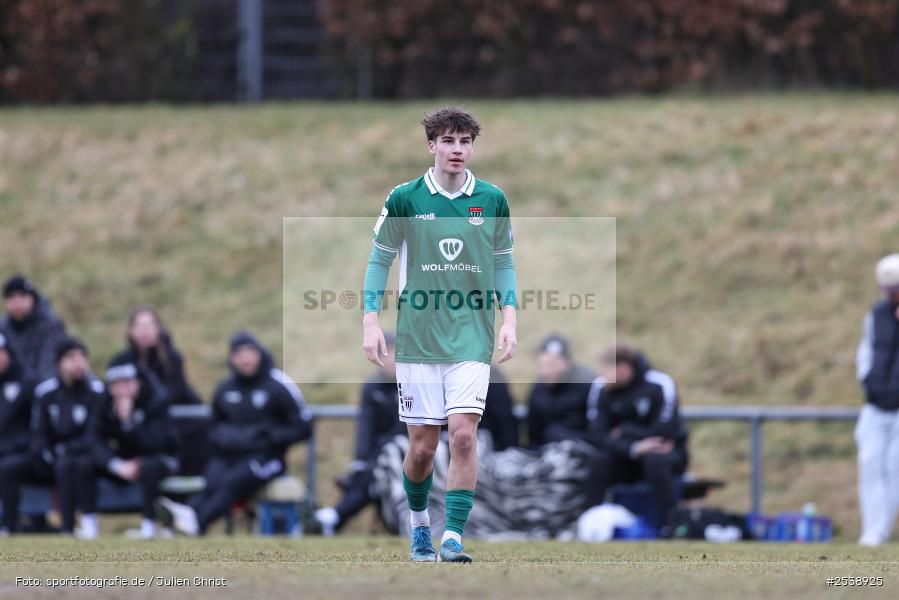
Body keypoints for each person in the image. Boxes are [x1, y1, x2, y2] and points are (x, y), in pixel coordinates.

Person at [361, 106, 518, 562]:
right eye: (448, 141)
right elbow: (380, 260)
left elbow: (504, 261)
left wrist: (509, 317)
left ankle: (452, 536)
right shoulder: (405, 198)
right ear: (431, 145)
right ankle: (419, 528)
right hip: (418, 338)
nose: (457, 150)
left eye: (465, 142)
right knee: (424, 448)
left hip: (471, 335)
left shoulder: (490, 200)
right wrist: (371, 321)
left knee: (464, 437)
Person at [156, 332, 312, 535]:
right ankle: (185, 519)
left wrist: (268, 437)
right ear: (231, 358)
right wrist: (226, 439)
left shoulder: (279, 385)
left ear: (259, 353)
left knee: (233, 481)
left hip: (267, 459)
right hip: (230, 455)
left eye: (250, 352)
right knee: (213, 479)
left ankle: (194, 523)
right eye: (239, 353)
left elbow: (303, 428)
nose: (245, 358)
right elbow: (213, 428)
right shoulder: (224, 388)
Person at [2, 337, 105, 537]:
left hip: (81, 457)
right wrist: (46, 454)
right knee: (8, 467)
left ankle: (72, 526)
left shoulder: (96, 391)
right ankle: (8, 525)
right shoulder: (45, 392)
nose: (79, 362)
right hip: (50, 458)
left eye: (82, 357)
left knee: (72, 464)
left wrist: (65, 451)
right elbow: (38, 433)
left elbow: (95, 434)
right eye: (72, 357)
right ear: (59, 362)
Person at [582, 344, 688, 527]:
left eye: (606, 369)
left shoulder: (660, 383)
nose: (600, 374)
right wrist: (633, 448)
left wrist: (623, 432)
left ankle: (672, 526)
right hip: (624, 456)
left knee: (656, 461)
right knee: (599, 461)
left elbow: (664, 432)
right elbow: (597, 434)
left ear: (623, 369)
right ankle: (587, 525)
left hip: (664, 454)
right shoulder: (600, 387)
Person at [315, 332, 406, 535]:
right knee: (369, 474)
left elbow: (407, 431)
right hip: (381, 457)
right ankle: (332, 519)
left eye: (394, 353)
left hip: (408, 454)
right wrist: (361, 460)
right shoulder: (372, 386)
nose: (389, 360)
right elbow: (365, 427)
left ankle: (334, 517)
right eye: (384, 354)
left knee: (371, 475)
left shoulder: (416, 384)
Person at [93, 356, 181, 539]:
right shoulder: (104, 403)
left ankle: (149, 526)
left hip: (162, 460)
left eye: (126, 382)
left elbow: (156, 444)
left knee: (148, 465)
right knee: (81, 462)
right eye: (115, 384)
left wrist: (128, 422)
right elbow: (94, 439)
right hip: (125, 465)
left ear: (137, 383)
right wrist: (115, 465)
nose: (121, 389)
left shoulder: (156, 399)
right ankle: (85, 525)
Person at [855, 253, 899, 546]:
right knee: (870, 464)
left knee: (895, 467)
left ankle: (882, 529)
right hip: (875, 405)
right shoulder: (877, 314)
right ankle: (870, 531)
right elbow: (866, 352)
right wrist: (867, 380)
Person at [109, 306, 202, 405]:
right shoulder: (121, 362)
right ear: (130, 331)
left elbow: (175, 392)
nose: (144, 331)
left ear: (158, 329)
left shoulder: (172, 359)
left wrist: (141, 396)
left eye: (148, 326)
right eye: (139, 326)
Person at [526, 335, 595, 447]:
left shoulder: (587, 384)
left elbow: (597, 431)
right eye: (542, 365)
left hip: (581, 449)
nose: (546, 372)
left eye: (552, 365)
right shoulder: (538, 389)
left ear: (567, 362)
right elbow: (533, 433)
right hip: (546, 453)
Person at [0, 332, 35, 534]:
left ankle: (9, 525)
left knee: (7, 467)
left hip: (21, 452)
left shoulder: (27, 383)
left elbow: (34, 428)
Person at [0, 275, 67, 381]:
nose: (17, 302)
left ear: (33, 299)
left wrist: (29, 386)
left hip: (45, 387)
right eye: (11, 297)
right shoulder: (3, 327)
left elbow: (49, 364)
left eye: (22, 296)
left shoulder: (50, 324)